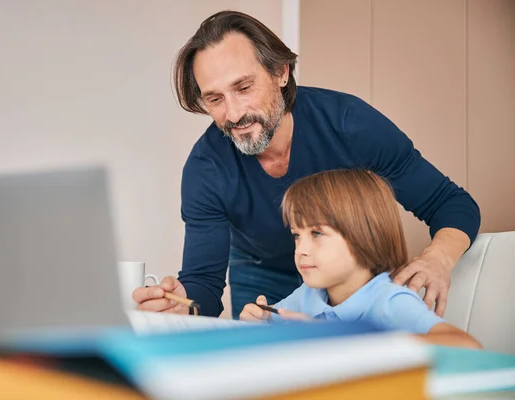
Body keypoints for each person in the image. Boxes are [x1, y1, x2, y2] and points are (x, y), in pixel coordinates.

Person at [133, 10, 480, 319]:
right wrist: (183, 303)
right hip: (260, 271)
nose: (234, 113)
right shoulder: (205, 169)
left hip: (352, 275)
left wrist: (438, 258)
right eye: (215, 98)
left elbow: (449, 204)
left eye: (244, 87)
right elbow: (203, 289)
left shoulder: (349, 124)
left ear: (280, 72)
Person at [239, 169, 481, 349]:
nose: (300, 249)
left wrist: (345, 339)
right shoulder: (309, 295)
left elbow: (467, 346)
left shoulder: (389, 300)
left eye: (316, 233)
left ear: (365, 235)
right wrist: (261, 320)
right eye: (296, 236)